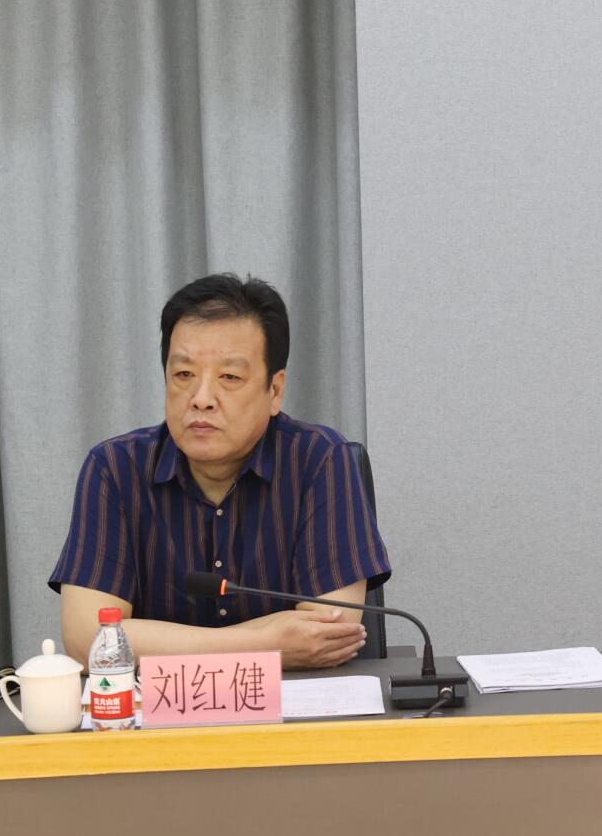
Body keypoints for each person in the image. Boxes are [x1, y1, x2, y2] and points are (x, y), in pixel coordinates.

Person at [50, 274, 391, 668]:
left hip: (296, 705)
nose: (201, 399)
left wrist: (154, 643)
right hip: (158, 708)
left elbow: (329, 631)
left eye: (229, 377)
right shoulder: (114, 468)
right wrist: (267, 642)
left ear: (275, 391)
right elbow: (88, 640)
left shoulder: (321, 460)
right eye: (184, 375)